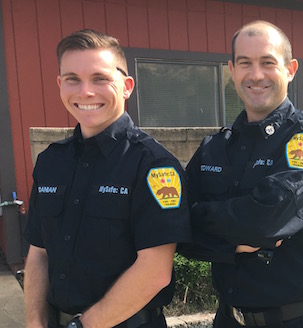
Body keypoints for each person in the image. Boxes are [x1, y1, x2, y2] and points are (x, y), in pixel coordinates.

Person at [23, 29, 191, 328]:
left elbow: (155, 271)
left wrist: (82, 325)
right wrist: (35, 321)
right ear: (60, 84)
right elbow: (39, 251)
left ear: (126, 86)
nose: (85, 91)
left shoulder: (153, 165)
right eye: (73, 78)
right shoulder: (50, 161)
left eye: (100, 79)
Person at [178, 20, 303, 327]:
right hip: (228, 319)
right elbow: (174, 224)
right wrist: (232, 245)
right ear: (232, 70)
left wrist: (203, 219)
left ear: (290, 69)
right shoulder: (215, 146)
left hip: (295, 320)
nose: (256, 75)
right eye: (245, 64)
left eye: (268, 63)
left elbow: (264, 221)